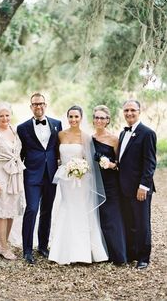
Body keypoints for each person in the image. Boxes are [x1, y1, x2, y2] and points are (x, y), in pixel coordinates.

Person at [48, 105, 108, 265]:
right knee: (66, 207)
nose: (73, 119)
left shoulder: (86, 137)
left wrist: (79, 170)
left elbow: (89, 162)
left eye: (76, 117)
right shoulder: (60, 134)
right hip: (65, 179)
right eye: (71, 116)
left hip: (81, 180)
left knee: (80, 209)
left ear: (81, 118)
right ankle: (61, 251)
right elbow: (57, 156)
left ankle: (82, 252)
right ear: (67, 118)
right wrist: (66, 167)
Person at [17, 93, 62, 264]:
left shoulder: (57, 124)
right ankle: (27, 250)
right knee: (32, 209)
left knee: (47, 210)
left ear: (46, 105)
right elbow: (19, 154)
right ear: (31, 107)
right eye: (35, 104)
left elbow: (58, 149)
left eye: (41, 104)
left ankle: (43, 246)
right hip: (32, 174)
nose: (38, 107)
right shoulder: (22, 128)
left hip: (51, 173)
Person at [118, 100, 156, 269]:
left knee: (142, 223)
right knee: (129, 221)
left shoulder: (147, 133)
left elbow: (150, 163)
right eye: (126, 110)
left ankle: (143, 257)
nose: (129, 113)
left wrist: (144, 186)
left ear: (139, 111)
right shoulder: (122, 133)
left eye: (133, 110)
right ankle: (132, 253)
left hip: (140, 188)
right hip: (124, 187)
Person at [0, 102, 25, 260]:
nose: (4, 118)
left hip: (14, 175)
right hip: (0, 175)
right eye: (1, 115)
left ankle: (4, 243)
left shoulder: (13, 130)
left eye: (7, 115)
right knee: (1, 212)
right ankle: (3, 247)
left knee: (10, 212)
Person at [92, 105, 127, 265]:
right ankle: (101, 253)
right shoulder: (89, 139)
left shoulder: (114, 139)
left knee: (112, 218)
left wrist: (110, 164)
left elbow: (121, 163)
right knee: (98, 217)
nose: (99, 120)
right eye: (96, 117)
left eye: (102, 118)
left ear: (107, 121)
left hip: (111, 183)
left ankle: (118, 255)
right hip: (94, 183)